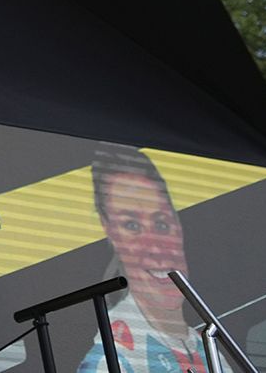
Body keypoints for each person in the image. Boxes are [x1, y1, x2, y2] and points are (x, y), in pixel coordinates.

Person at [77, 147, 201, 373]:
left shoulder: (203, 343)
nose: (155, 246)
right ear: (110, 232)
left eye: (162, 224)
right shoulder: (113, 361)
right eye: (132, 226)